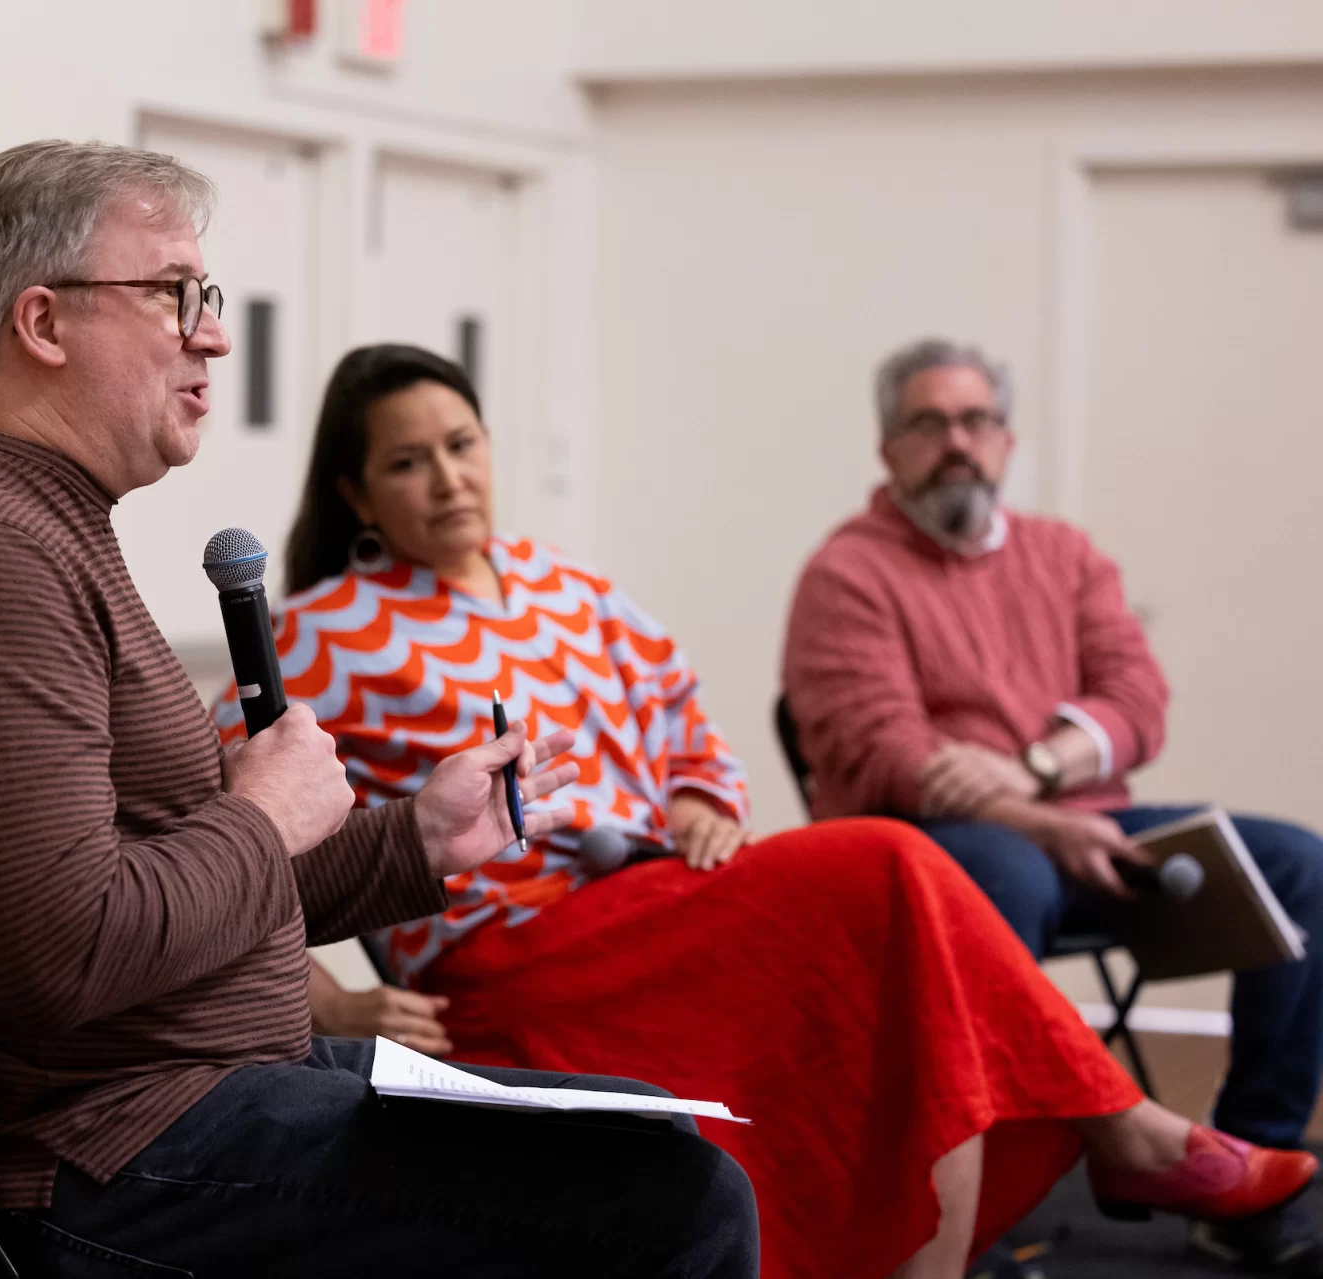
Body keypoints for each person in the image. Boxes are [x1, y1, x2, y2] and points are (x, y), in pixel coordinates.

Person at [0, 141, 761, 1278]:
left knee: (651, 1129)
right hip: (114, 1152)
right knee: (671, 1197)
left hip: (198, 1093)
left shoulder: (27, 515)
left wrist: (415, 840)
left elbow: (190, 883)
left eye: (210, 298)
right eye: (174, 295)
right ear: (41, 324)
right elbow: (62, 952)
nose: (214, 334)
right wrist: (262, 814)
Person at [218, 342, 1316, 1279]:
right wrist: (333, 1007)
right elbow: (230, 832)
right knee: (888, 864)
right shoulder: (320, 633)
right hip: (517, 946)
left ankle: (1091, 1150)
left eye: (462, 445)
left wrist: (702, 797)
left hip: (667, 897)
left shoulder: (568, 587)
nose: (448, 479)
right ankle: (1124, 1126)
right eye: (407, 463)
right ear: (357, 494)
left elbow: (684, 719)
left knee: (897, 916)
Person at [781, 336, 1323, 1273]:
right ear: (887, 449)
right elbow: (889, 753)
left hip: (1083, 822)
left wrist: (1034, 770)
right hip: (920, 847)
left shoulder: (1063, 554)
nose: (956, 441)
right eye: (928, 423)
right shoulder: (847, 573)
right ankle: (980, 1193)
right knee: (1005, 875)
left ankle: (1238, 1169)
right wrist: (1041, 814)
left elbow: (1136, 697)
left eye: (974, 420)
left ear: (1006, 439)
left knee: (1298, 865)